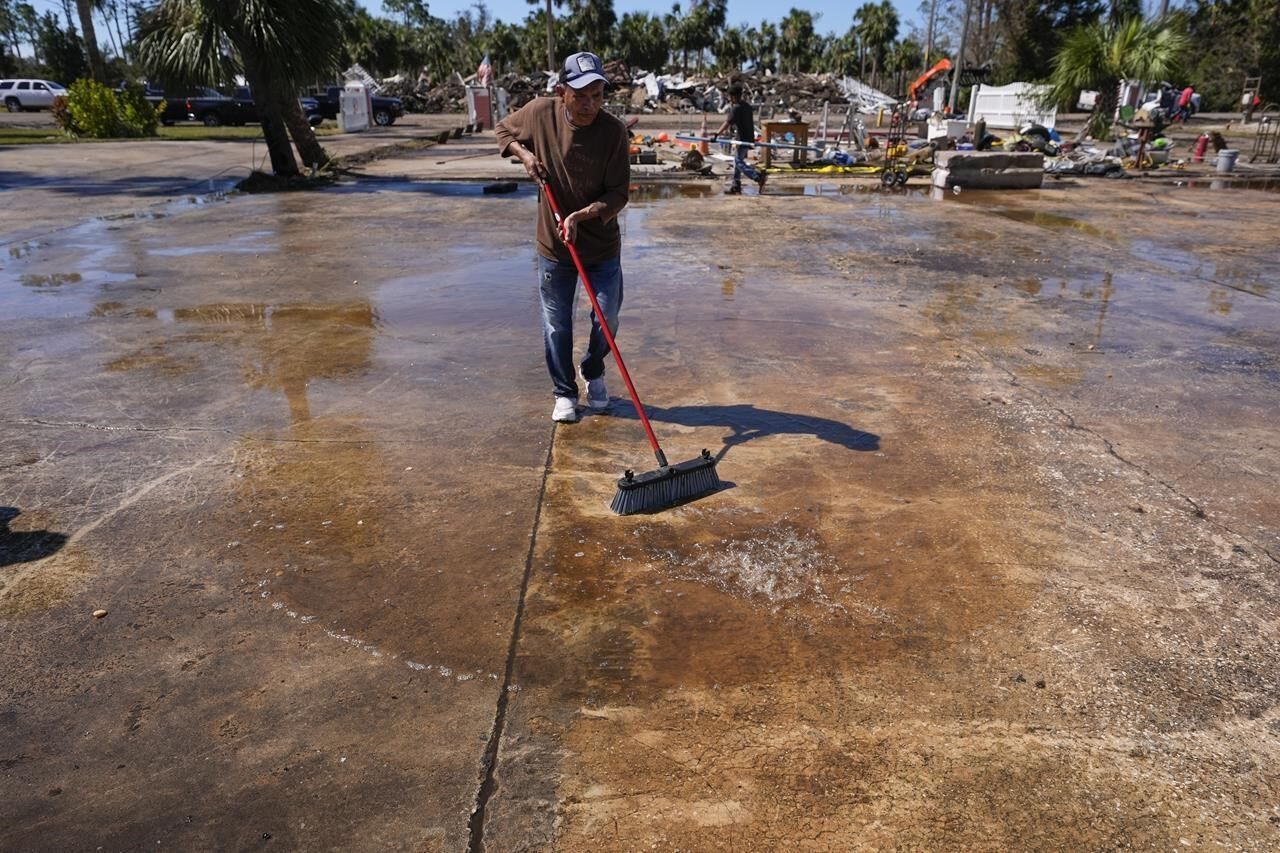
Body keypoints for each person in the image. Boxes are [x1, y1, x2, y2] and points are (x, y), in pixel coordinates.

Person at [495, 51, 630, 423]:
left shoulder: (614, 132)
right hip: (555, 248)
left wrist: (580, 216)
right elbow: (503, 130)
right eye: (581, 95)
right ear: (562, 91)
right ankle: (564, 392)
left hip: (601, 247)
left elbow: (619, 194)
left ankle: (593, 369)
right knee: (557, 322)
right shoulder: (540, 112)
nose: (590, 105)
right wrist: (525, 154)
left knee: (608, 318)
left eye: (598, 95)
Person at [713, 83, 767, 195]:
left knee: (738, 162)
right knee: (738, 161)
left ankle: (757, 177)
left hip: (742, 139)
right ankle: (736, 186)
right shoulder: (746, 106)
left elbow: (727, 123)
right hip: (748, 138)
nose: (729, 99)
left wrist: (716, 134)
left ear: (733, 96)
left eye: (730, 97)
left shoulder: (736, 108)